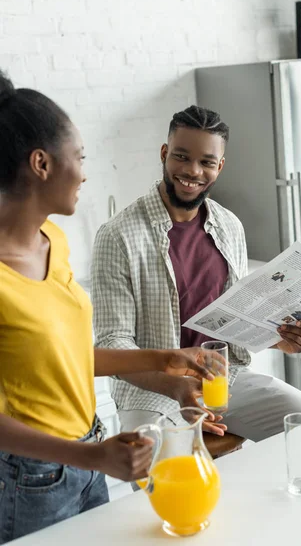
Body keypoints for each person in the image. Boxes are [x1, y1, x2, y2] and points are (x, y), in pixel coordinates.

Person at [0, 77, 219, 544]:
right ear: (40, 164)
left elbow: (68, 355)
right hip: (26, 478)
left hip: (87, 452)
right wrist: (92, 458)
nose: (83, 172)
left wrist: (165, 359)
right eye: (78, 157)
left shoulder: (51, 241)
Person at [91, 105, 301, 450]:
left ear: (220, 166)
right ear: (164, 154)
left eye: (206, 162)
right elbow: (113, 344)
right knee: (165, 473)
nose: (192, 172)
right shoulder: (118, 235)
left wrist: (279, 338)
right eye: (182, 157)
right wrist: (175, 385)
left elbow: (231, 321)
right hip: (151, 393)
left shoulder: (229, 226)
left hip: (223, 379)